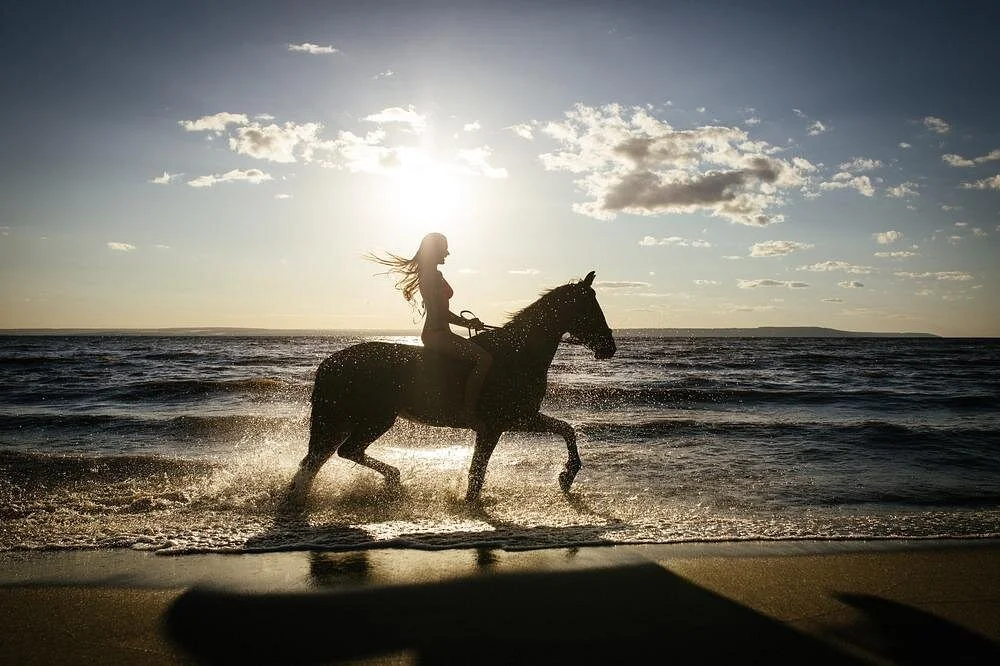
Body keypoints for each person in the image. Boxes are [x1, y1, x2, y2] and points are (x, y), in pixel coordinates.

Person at [368, 232, 493, 424]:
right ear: (435, 250)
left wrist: (468, 323)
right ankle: (468, 412)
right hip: (437, 334)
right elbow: (440, 313)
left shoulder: (434, 274)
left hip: (442, 333)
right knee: (483, 359)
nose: (448, 253)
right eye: (444, 248)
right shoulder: (429, 276)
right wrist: (468, 323)